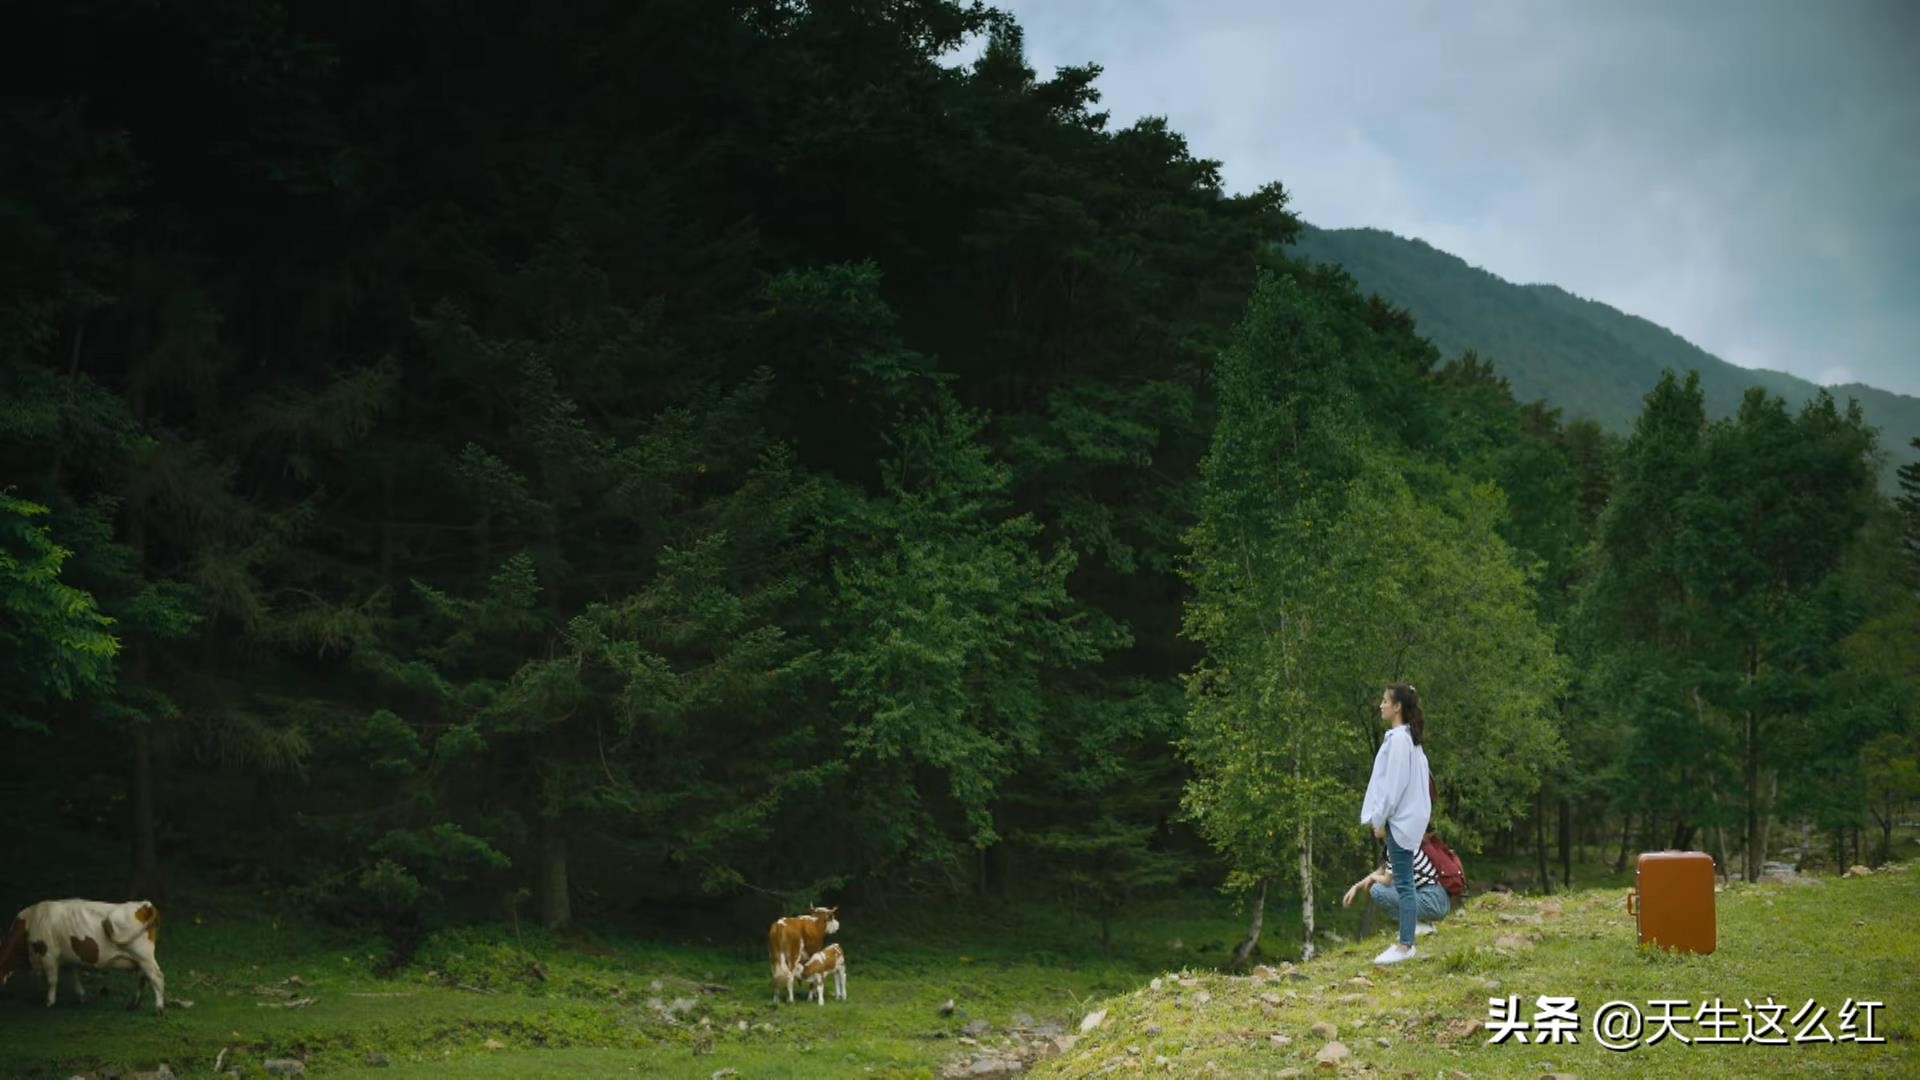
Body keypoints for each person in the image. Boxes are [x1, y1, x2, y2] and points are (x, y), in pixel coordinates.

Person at [1357, 682, 1430, 964]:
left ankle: (1405, 944)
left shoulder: (1401, 740)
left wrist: (1380, 819)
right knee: (1404, 881)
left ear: (1397, 706)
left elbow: (1393, 785)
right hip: (1407, 820)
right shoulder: (1409, 738)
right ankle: (1407, 936)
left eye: (1385, 701)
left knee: (1404, 884)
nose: (1381, 705)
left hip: (1400, 822)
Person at [1340, 841, 1450, 937]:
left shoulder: (1396, 846)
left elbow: (1386, 880)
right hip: (1437, 898)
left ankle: (1415, 926)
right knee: (1391, 886)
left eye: (1377, 823)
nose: (1374, 827)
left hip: (1432, 900)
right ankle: (1423, 925)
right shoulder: (1402, 840)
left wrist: (1373, 878)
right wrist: (1355, 887)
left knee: (1377, 890)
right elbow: (1382, 871)